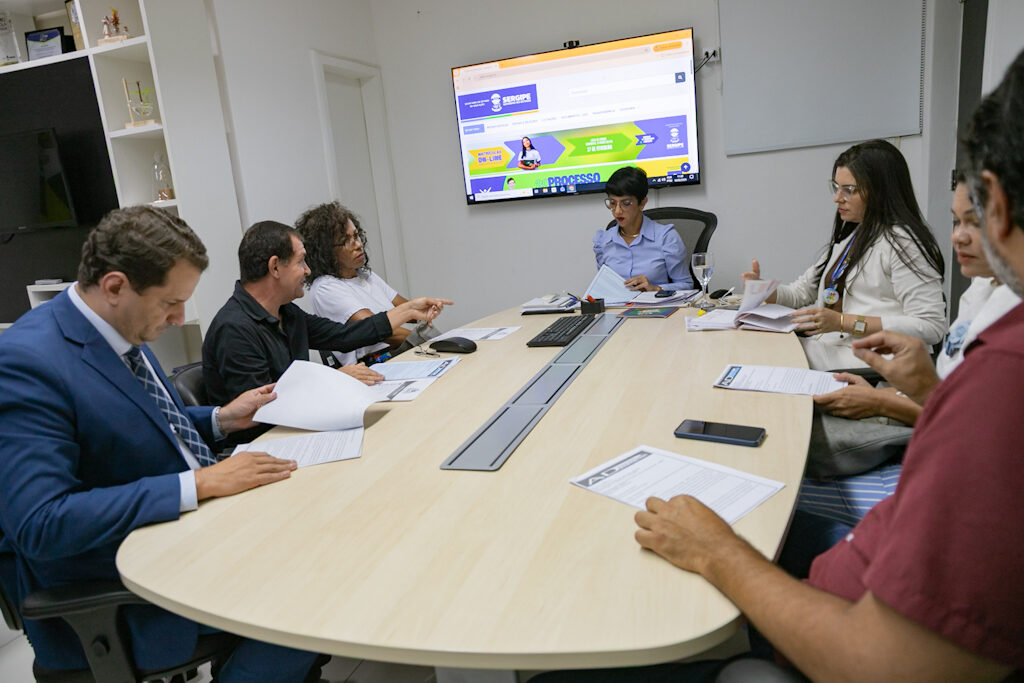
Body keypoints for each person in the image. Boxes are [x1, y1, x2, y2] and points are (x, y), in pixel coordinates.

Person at [0, 206, 324, 680]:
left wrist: (221, 418)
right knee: (311, 594)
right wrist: (199, 484)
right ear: (115, 287)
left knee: (324, 536)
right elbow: (41, 522)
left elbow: (133, 427)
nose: (179, 318)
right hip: (125, 580)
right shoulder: (26, 362)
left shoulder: (120, 327)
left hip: (192, 531)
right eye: (171, 303)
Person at [781, 176, 1020, 575]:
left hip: (880, 386)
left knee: (789, 455)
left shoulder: (901, 244)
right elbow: (951, 396)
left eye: (975, 223)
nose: (958, 236)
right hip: (891, 393)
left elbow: (931, 331)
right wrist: (764, 292)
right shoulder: (979, 289)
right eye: (955, 221)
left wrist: (878, 390)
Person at [202, 220, 451, 422]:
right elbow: (263, 408)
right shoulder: (234, 328)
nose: (308, 270)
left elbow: (344, 335)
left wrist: (408, 310)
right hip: (264, 442)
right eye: (301, 261)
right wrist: (334, 380)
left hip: (299, 424)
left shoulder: (287, 313)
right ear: (275, 267)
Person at [743, 139, 947, 370]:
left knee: (762, 360)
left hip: (870, 363)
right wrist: (763, 290)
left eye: (849, 190)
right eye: (836, 187)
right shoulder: (853, 236)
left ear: (880, 192)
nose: (837, 198)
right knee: (755, 349)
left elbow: (931, 326)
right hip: (833, 349)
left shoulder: (903, 242)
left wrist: (843, 322)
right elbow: (801, 293)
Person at [295, 202, 449, 367]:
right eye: (346, 241)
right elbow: (379, 332)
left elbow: (405, 309)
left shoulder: (364, 274)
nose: (358, 244)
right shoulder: (325, 287)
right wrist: (431, 342)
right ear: (325, 251)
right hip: (373, 364)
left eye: (356, 236)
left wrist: (424, 311)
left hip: (399, 351)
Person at [592, 166, 693, 292]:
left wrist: (655, 288)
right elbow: (605, 287)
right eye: (612, 203)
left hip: (656, 304)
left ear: (642, 203)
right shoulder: (603, 241)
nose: (617, 211)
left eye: (626, 203)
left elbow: (686, 285)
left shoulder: (666, 238)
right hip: (618, 304)